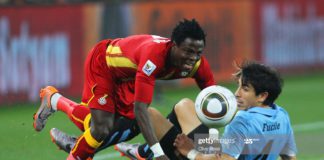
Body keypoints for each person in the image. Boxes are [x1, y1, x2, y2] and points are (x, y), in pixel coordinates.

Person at [32, 18, 215, 160]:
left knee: (121, 127)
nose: (193, 58)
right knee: (101, 129)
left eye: (198, 52)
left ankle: (54, 100)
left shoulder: (198, 65)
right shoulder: (154, 59)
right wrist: (158, 152)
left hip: (129, 76)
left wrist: (214, 143)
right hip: (104, 64)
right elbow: (141, 108)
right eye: (188, 51)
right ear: (174, 45)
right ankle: (78, 149)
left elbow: (214, 103)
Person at [173, 61, 298, 160]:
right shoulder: (282, 115)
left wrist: (191, 152)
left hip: (211, 155)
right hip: (216, 150)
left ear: (262, 96)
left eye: (245, 88)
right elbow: (289, 157)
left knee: (177, 108)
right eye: (238, 86)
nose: (237, 93)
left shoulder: (243, 120)